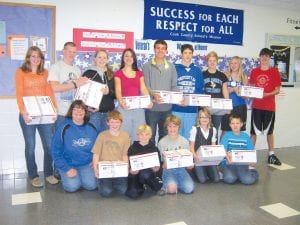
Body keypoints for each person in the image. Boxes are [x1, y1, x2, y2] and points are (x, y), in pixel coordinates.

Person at [15, 46, 59, 188]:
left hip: (44, 114)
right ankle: (33, 175)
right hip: (28, 115)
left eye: (38, 57)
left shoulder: (45, 73)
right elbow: (19, 93)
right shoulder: (21, 72)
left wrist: (54, 110)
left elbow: (49, 93)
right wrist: (23, 112)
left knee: (49, 145)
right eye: (33, 56)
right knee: (30, 146)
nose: (35, 59)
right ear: (28, 57)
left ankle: (48, 173)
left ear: (41, 59)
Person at [51, 100, 98, 192]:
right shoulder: (63, 128)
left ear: (85, 112)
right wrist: (67, 169)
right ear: (71, 111)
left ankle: (81, 176)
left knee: (91, 186)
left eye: (81, 109)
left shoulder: (92, 127)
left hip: (86, 164)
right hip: (68, 164)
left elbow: (98, 147)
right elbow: (55, 152)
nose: (78, 112)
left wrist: (95, 160)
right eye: (75, 109)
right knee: (72, 187)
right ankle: (63, 173)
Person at [250, 48, 282, 165]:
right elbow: (251, 87)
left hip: (269, 107)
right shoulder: (254, 71)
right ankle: (249, 154)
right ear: (259, 57)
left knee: (269, 132)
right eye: (262, 56)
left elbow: (277, 90)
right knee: (253, 132)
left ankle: (271, 155)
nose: (264, 58)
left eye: (267, 56)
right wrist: (252, 92)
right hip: (257, 106)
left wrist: (266, 94)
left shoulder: (274, 72)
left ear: (269, 58)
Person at [142, 39, 179, 144]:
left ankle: (163, 159)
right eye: (158, 48)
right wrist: (153, 95)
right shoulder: (147, 66)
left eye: (163, 48)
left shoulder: (171, 66)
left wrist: (177, 97)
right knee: (151, 136)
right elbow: (145, 86)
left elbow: (174, 85)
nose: (160, 50)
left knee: (164, 136)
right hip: (152, 109)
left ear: (166, 50)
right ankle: (152, 158)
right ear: (154, 49)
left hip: (167, 108)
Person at [115, 48, 152, 142]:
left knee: (139, 133)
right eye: (126, 56)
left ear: (134, 59)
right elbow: (118, 91)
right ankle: (124, 156)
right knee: (123, 134)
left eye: (131, 56)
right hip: (124, 107)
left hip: (138, 109)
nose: (129, 58)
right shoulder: (118, 74)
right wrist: (121, 102)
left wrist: (149, 100)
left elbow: (143, 89)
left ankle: (136, 155)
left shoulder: (139, 73)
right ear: (123, 58)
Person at [48, 42, 88, 127]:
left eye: (74, 52)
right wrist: (75, 84)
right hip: (60, 113)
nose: (72, 54)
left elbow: (80, 92)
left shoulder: (77, 69)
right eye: (69, 51)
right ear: (63, 51)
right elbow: (54, 88)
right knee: (60, 139)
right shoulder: (56, 67)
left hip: (75, 113)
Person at [92, 110, 130, 197]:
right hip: (105, 167)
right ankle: (105, 182)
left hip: (119, 167)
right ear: (107, 123)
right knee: (106, 192)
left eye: (117, 122)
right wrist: (96, 169)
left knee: (123, 190)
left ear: (121, 123)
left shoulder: (125, 136)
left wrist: (127, 168)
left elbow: (125, 155)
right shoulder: (102, 135)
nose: (114, 125)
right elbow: (96, 154)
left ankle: (112, 181)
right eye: (112, 122)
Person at [172, 44, 204, 139]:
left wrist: (189, 101)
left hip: (191, 110)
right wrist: (177, 100)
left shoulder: (197, 70)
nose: (187, 55)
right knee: (176, 135)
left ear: (192, 54)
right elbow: (172, 87)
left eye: (190, 53)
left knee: (188, 136)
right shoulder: (174, 69)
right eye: (185, 53)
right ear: (181, 54)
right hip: (176, 108)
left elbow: (200, 90)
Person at [158, 115, 194, 195]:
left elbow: (188, 160)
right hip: (168, 171)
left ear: (179, 127)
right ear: (166, 127)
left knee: (189, 189)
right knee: (171, 190)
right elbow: (161, 162)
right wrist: (164, 165)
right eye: (170, 126)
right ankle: (170, 184)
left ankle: (173, 183)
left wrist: (190, 165)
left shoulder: (184, 141)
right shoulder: (162, 142)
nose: (172, 129)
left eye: (175, 126)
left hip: (181, 169)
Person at [82, 49, 115, 133]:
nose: (102, 60)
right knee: (93, 139)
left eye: (104, 58)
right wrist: (88, 107)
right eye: (99, 57)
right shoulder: (88, 73)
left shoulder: (111, 74)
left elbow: (116, 94)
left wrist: (109, 92)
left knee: (106, 140)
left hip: (109, 114)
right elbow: (82, 94)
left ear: (107, 60)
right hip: (93, 114)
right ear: (95, 59)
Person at [126, 124, 163, 199]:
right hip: (136, 175)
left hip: (149, 174)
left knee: (145, 174)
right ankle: (142, 186)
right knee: (132, 194)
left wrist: (156, 168)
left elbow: (158, 166)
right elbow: (129, 165)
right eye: (141, 134)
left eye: (147, 134)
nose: (144, 137)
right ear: (137, 135)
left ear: (150, 135)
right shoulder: (132, 148)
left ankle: (154, 184)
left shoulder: (154, 148)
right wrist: (131, 170)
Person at [220, 114, 259, 185]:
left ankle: (252, 171)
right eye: (233, 123)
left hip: (242, 164)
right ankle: (237, 174)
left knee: (248, 180)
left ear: (241, 124)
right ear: (230, 125)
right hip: (229, 163)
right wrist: (228, 158)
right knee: (229, 179)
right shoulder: (226, 136)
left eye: (237, 123)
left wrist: (253, 161)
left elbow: (251, 151)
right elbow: (223, 149)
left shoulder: (246, 137)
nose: (235, 125)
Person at [203, 51, 229, 140]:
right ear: (207, 61)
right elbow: (200, 90)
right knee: (204, 129)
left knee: (215, 130)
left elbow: (225, 90)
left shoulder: (222, 75)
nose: (212, 62)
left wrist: (228, 106)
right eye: (210, 60)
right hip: (205, 107)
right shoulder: (202, 75)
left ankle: (214, 151)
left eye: (214, 60)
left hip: (218, 108)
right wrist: (202, 105)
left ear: (217, 61)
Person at [189, 108, 219, 183]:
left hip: (208, 159)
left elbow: (213, 147)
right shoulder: (195, 129)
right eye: (202, 117)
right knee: (203, 180)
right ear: (199, 119)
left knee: (216, 179)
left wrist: (213, 159)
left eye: (206, 117)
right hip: (197, 158)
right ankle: (193, 171)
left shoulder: (213, 130)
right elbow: (191, 147)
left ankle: (206, 169)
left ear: (209, 118)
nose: (204, 119)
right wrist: (195, 157)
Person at [221, 56, 248, 137]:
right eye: (231, 63)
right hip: (227, 107)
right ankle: (223, 149)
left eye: (235, 63)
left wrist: (241, 93)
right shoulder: (225, 75)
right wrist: (233, 89)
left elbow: (246, 96)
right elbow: (222, 92)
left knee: (238, 131)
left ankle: (236, 149)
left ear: (239, 64)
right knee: (225, 131)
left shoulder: (244, 77)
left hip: (240, 107)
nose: (233, 65)